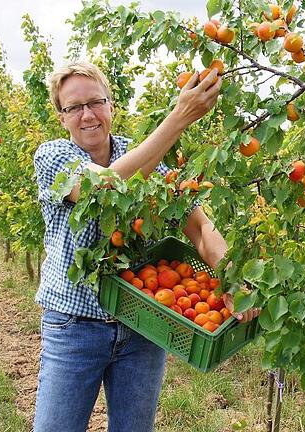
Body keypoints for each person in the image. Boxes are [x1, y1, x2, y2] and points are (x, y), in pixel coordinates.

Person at [32, 61, 259, 432]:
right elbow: (102, 187)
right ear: (61, 117)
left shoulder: (147, 157)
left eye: (95, 102)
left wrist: (231, 281)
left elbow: (200, 227)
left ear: (111, 106)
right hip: (74, 327)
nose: (87, 114)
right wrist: (179, 118)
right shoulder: (53, 158)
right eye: (74, 107)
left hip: (142, 324)